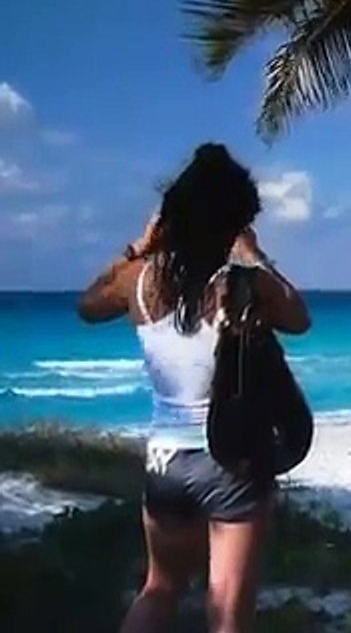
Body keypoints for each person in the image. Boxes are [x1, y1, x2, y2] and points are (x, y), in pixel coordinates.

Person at [77, 143, 310, 633]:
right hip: (230, 456)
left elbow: (89, 304)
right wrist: (254, 254)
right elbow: (298, 318)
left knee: (159, 589)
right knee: (227, 608)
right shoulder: (245, 282)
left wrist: (139, 247)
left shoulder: (137, 281)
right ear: (237, 218)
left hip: (165, 461)